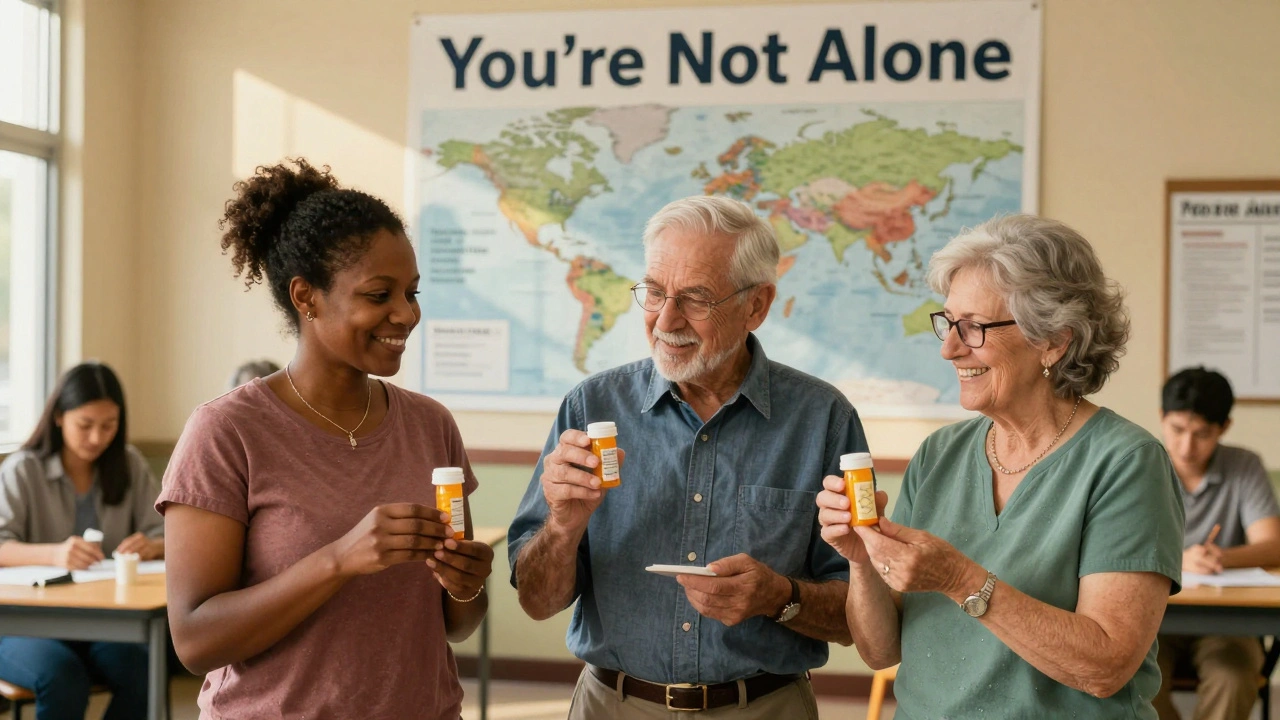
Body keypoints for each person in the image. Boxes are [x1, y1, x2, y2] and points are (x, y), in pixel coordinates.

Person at [157, 159, 493, 718]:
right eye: (379, 294)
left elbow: (457, 624)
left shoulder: (431, 425)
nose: (406, 314)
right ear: (306, 297)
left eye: (412, 292)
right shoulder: (227, 431)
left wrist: (466, 585)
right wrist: (338, 560)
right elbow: (194, 642)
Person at [508, 196, 866, 718]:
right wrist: (562, 527)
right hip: (612, 705)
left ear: (757, 306)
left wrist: (779, 597)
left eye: (696, 298)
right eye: (654, 293)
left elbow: (861, 617)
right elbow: (537, 602)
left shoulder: (823, 418)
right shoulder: (591, 407)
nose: (665, 319)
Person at [817, 214, 1185, 718]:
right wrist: (860, 558)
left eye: (973, 327)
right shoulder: (939, 454)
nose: (949, 348)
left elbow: (1105, 666)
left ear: (1053, 340)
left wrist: (959, 579)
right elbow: (881, 652)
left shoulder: (1126, 461)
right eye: (948, 323)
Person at [0, 361, 161, 720]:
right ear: (59, 416)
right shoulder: (22, 470)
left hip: (104, 619)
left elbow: (166, 530)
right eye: (85, 425)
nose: (97, 438)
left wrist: (153, 545)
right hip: (22, 624)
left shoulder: (128, 464)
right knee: (62, 677)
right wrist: (55, 554)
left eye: (109, 425)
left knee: (143, 668)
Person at [1152, 366, 1279, 720]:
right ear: (1162, 417)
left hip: (1228, 623)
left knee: (1233, 676)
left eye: (1202, 433)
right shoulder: (1141, 463)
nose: (1187, 446)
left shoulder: (1244, 466)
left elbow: (1273, 545)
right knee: (1131, 675)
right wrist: (1178, 559)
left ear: (1224, 428)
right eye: (1177, 430)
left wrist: (1221, 556)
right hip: (1154, 617)